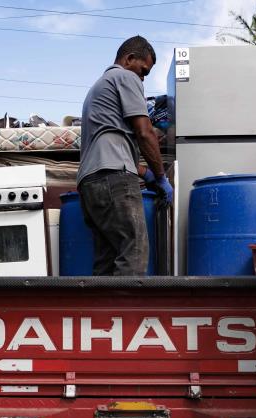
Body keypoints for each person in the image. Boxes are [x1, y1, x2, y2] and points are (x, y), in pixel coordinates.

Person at [77, 35, 173, 276]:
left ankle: (101, 314)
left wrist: (145, 173)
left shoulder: (97, 89)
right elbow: (144, 132)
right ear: (130, 59)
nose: (142, 78)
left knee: (107, 261)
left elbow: (110, 145)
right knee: (134, 251)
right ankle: (125, 314)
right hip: (113, 181)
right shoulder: (124, 76)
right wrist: (161, 177)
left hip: (90, 185)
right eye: (143, 71)